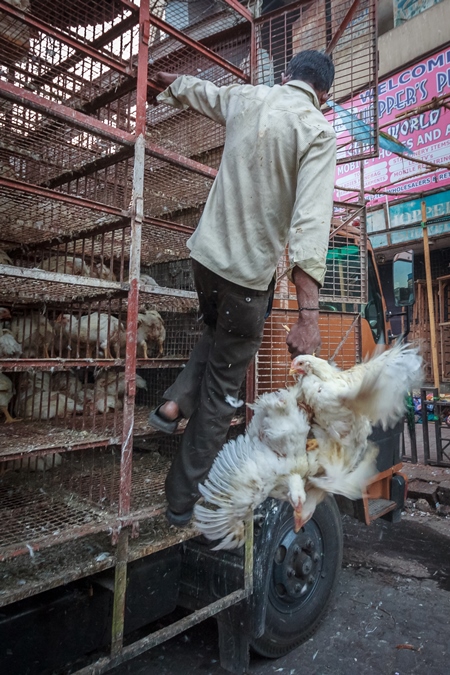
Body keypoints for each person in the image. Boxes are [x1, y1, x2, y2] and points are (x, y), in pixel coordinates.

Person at [148, 50, 337, 526]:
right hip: (247, 278)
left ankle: (173, 402)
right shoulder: (317, 130)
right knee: (221, 393)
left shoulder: (250, 97)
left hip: (205, 260)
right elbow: (311, 226)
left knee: (216, 333)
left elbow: (202, 92)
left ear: (286, 76)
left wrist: (166, 81)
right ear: (324, 95)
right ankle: (180, 499)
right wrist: (308, 317)